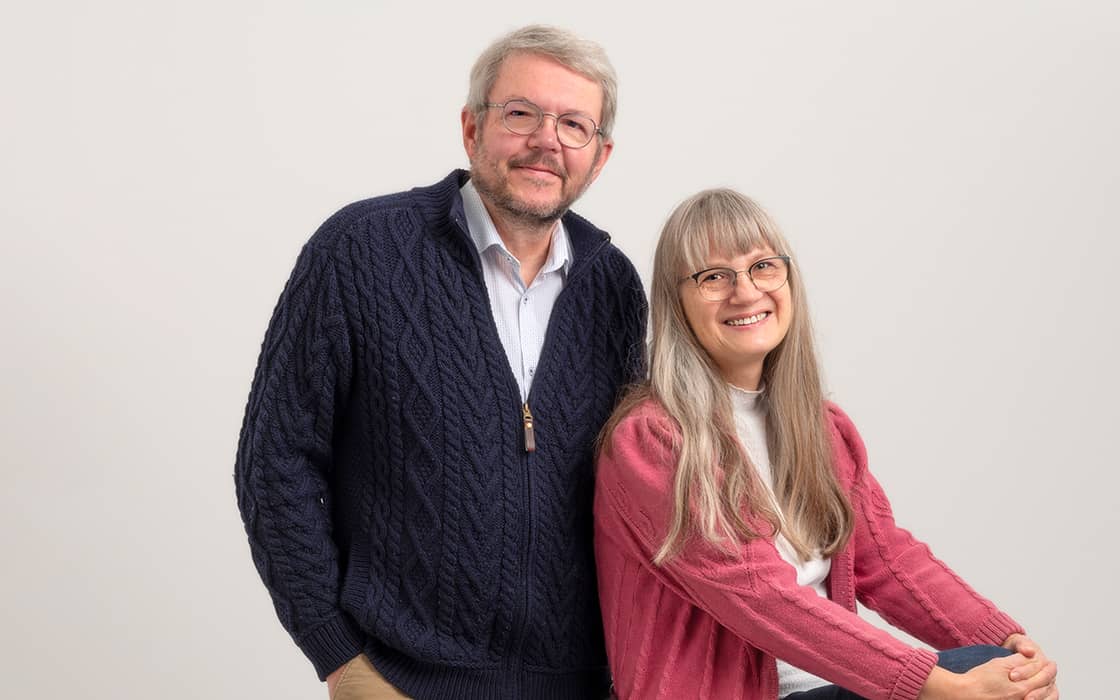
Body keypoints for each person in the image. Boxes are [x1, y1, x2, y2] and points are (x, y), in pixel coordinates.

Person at [234, 25, 646, 700]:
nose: (547, 140)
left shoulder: (615, 287)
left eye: (574, 124)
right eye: (522, 114)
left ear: (599, 157)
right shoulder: (362, 251)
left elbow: (636, 490)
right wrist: (340, 659)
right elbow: (274, 460)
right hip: (400, 680)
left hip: (583, 685)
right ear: (472, 128)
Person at [594, 189, 1058, 700]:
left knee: (1003, 669)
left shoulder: (819, 427)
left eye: (763, 267)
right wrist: (929, 685)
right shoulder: (653, 440)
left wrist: (1009, 643)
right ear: (676, 302)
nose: (746, 292)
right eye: (714, 277)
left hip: (831, 690)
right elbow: (761, 595)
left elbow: (887, 561)